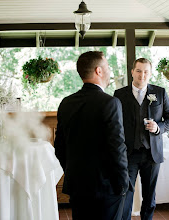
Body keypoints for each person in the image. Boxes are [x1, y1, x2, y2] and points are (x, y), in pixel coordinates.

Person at [54, 51, 130, 220]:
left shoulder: (66, 103)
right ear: (98, 71)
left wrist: (73, 171)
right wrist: (124, 184)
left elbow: (59, 146)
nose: (110, 71)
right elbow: (117, 147)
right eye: (107, 67)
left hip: (77, 186)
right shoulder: (110, 102)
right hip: (107, 188)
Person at [114, 58, 169, 220]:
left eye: (146, 71)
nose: (142, 75)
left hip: (152, 153)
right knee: (126, 193)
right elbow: (115, 123)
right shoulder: (119, 95)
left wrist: (158, 128)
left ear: (150, 73)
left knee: (150, 195)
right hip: (128, 153)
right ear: (132, 72)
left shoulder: (160, 92)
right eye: (139, 71)